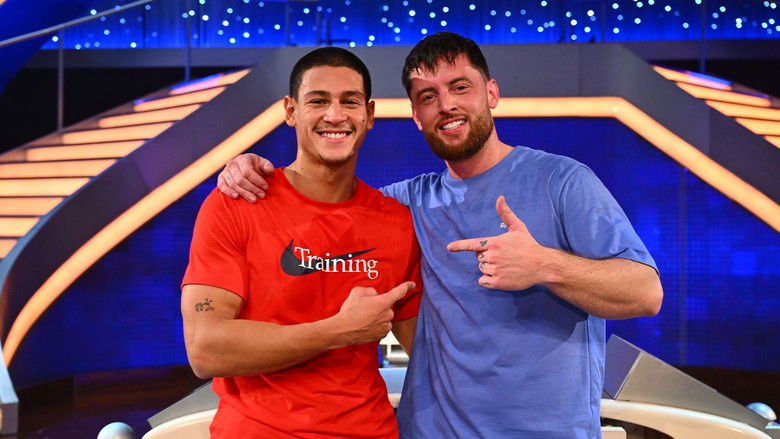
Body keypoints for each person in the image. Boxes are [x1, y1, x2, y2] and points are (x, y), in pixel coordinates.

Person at [217, 32, 663, 438]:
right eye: (428, 96)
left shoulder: (562, 181)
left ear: (492, 93)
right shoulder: (404, 204)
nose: (446, 105)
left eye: (460, 87)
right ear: (416, 115)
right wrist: (250, 169)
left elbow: (645, 293)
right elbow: (325, 197)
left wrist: (545, 265)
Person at [181, 47, 423, 438]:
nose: (335, 115)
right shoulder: (237, 204)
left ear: (369, 115)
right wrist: (338, 330)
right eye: (318, 101)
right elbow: (205, 349)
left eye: (350, 102)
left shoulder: (397, 222)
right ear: (291, 111)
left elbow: (429, 354)